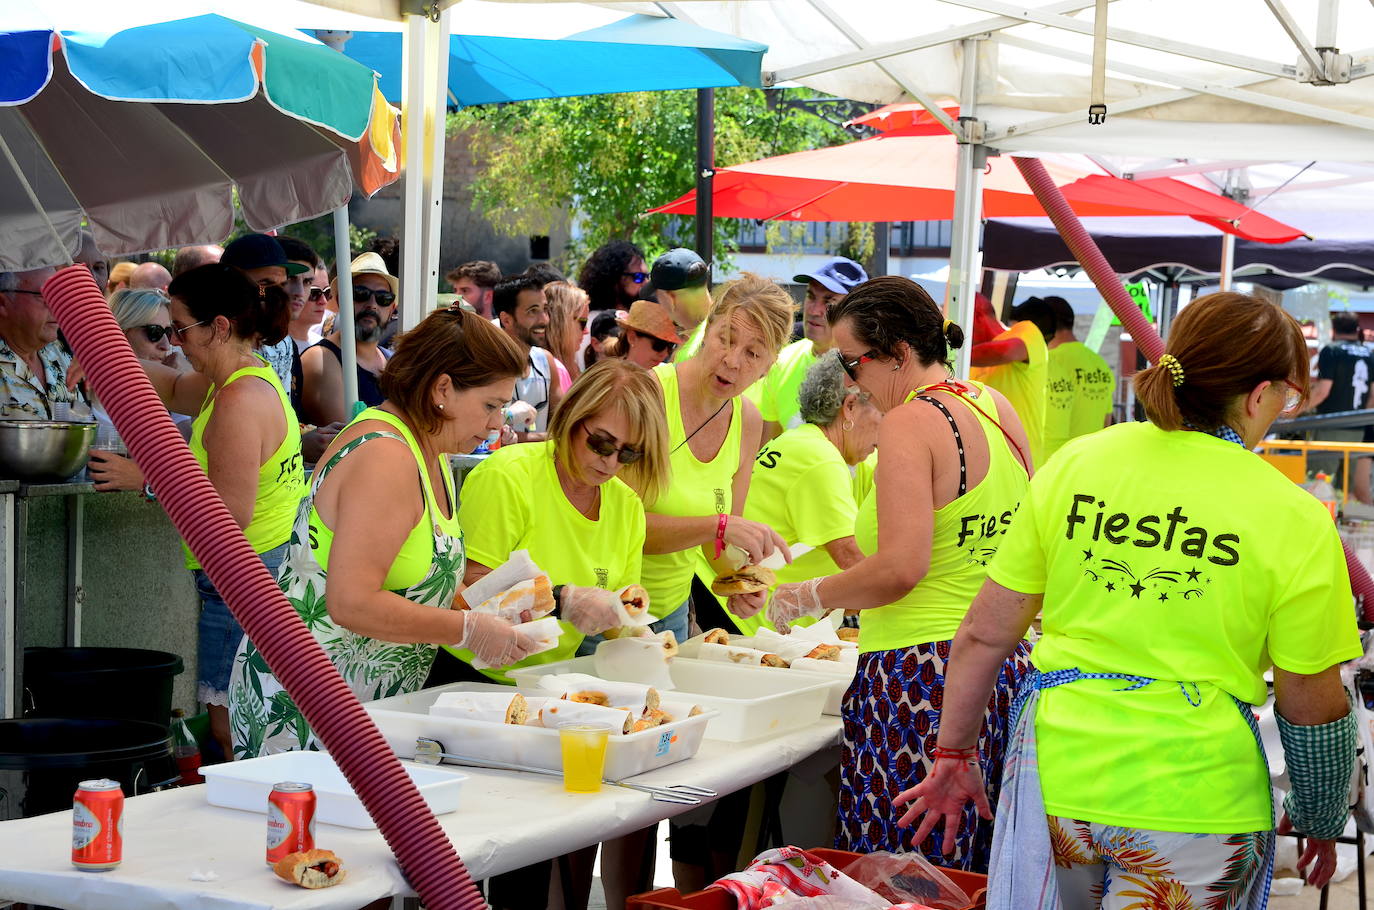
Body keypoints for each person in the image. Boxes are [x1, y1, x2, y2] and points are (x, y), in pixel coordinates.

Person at [898, 291, 1360, 906]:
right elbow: (1310, 700)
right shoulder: (1294, 516)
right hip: (1195, 802)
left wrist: (953, 753)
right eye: (1288, 396)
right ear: (1258, 395)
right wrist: (1321, 815)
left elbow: (985, 633)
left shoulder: (1078, 463)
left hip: (1055, 780)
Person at [760, 276, 1033, 871]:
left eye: (853, 364)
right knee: (973, 873)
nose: (850, 382)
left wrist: (807, 595)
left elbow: (901, 569)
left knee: (899, 875)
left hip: (920, 678)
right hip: (1001, 668)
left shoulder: (912, 422)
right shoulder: (994, 405)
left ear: (899, 355)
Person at [229, 305, 539, 758]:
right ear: (443, 389)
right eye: (490, 406)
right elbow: (351, 601)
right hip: (307, 703)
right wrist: (468, 629)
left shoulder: (427, 449)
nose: (497, 424)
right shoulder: (386, 456)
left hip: (364, 704)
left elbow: (406, 580)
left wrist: (493, 608)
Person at [144, 264, 305, 761]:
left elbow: (225, 517)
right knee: (237, 719)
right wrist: (102, 362)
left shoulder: (237, 399)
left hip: (244, 578)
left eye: (180, 329)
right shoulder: (240, 381)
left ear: (218, 326)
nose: (174, 343)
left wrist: (146, 480)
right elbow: (169, 387)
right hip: (257, 573)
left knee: (230, 729)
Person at [642, 272, 793, 643]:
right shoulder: (650, 393)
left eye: (753, 353)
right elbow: (616, 526)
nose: (732, 360)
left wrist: (740, 581)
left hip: (672, 614)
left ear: (768, 367)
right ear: (706, 331)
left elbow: (718, 545)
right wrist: (718, 526)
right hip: (605, 609)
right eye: (725, 339)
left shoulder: (748, 421)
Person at [700, 353, 881, 634]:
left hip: (724, 591)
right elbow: (852, 560)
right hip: (734, 605)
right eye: (883, 411)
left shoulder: (805, 441)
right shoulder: (820, 458)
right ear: (850, 407)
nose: (886, 426)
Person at [753, 257, 868, 440]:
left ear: (855, 312)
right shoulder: (781, 362)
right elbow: (767, 450)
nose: (814, 310)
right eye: (811, 296)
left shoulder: (874, 372)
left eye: (829, 302)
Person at [299, 252, 398, 426]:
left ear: (392, 308)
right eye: (361, 294)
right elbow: (351, 440)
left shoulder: (393, 361)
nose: (372, 304)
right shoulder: (320, 360)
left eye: (383, 298)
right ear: (340, 300)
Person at [220, 234, 309, 396]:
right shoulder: (203, 338)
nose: (277, 296)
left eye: (282, 285)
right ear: (231, 285)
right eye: (264, 286)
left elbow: (282, 409)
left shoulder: (283, 344)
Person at [971, 294, 1052, 468]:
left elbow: (1006, 351)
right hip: (988, 466)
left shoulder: (1027, 330)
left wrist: (948, 352)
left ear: (976, 315)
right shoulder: (973, 359)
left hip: (1021, 467)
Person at [0, 267, 89, 419]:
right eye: (46, 295)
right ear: (2, 303)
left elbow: (84, 422)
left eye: (60, 296)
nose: (57, 306)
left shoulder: (61, 354)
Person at [1042, 295, 1114, 461]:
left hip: (1055, 463)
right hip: (1091, 460)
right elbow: (1106, 420)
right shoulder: (1099, 363)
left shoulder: (1050, 362)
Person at [493, 274, 562, 441]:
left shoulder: (546, 361)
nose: (544, 320)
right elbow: (484, 431)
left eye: (545, 309)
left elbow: (565, 423)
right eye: (533, 311)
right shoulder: (489, 364)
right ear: (506, 319)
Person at [648, 248, 712, 361]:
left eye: (658, 297)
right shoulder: (733, 323)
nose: (660, 305)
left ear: (670, 299)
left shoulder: (688, 357)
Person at [604, 300, 682, 369]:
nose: (664, 354)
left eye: (670, 346)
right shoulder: (608, 376)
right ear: (632, 337)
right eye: (659, 345)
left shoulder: (668, 375)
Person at [543, 281, 590, 389]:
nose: (586, 331)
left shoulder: (572, 368)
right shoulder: (548, 371)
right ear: (561, 321)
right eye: (583, 323)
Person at [578, 240, 645, 312]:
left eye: (648, 276)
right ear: (614, 280)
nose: (646, 283)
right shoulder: (598, 321)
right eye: (639, 277)